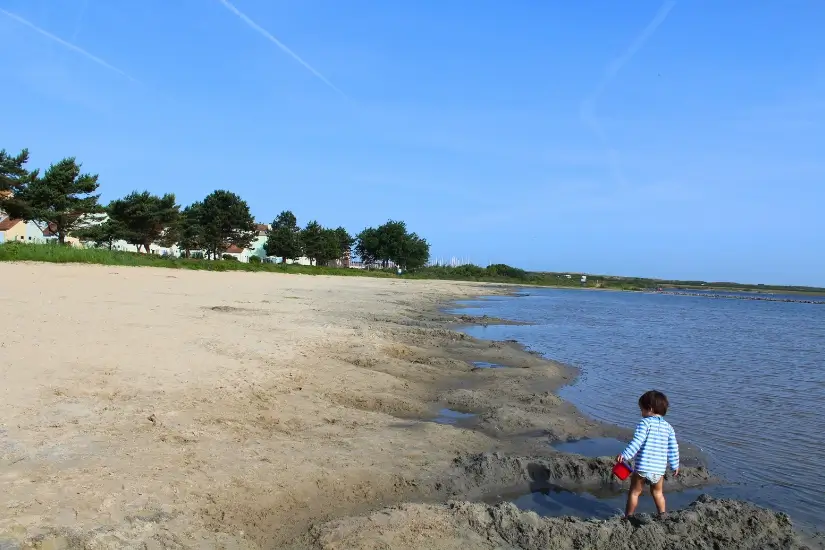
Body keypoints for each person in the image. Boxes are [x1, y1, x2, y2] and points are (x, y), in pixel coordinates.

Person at [615, 390, 680, 517]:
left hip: (642, 467)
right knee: (658, 493)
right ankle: (662, 515)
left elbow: (637, 442)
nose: (641, 413)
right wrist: (675, 465)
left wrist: (625, 455)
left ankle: (628, 516)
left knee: (634, 492)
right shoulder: (669, 428)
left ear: (649, 409)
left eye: (642, 410)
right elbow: (673, 448)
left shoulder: (645, 423)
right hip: (659, 469)